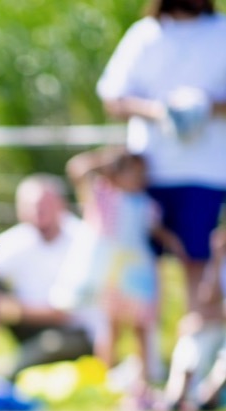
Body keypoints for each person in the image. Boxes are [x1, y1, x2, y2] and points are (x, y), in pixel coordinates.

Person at [96, 0, 226, 314]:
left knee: (199, 261)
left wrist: (204, 108)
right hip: (147, 174)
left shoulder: (221, 31)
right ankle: (147, 355)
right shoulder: (144, 34)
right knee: (139, 265)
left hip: (206, 174)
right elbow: (113, 97)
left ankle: (194, 343)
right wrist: (158, 111)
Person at [65, 147, 186, 405]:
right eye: (134, 172)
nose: (141, 178)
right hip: (113, 272)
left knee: (142, 325)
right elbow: (78, 168)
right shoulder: (105, 197)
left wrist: (175, 244)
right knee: (112, 325)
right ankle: (104, 375)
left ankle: (143, 380)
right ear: (117, 174)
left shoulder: (147, 203)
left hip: (139, 271)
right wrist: (107, 161)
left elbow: (156, 230)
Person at [0, 173, 103, 379]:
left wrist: (9, 309)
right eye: (29, 206)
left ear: (61, 205)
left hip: (76, 333)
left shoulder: (83, 241)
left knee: (51, 345)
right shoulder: (20, 238)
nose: (37, 212)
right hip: (31, 327)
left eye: (43, 205)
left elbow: (65, 313)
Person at [161, 223, 226, 411]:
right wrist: (216, 259)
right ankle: (175, 395)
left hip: (219, 324)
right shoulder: (219, 264)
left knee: (198, 326)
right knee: (191, 337)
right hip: (218, 325)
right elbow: (208, 298)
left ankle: (209, 396)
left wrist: (204, 318)